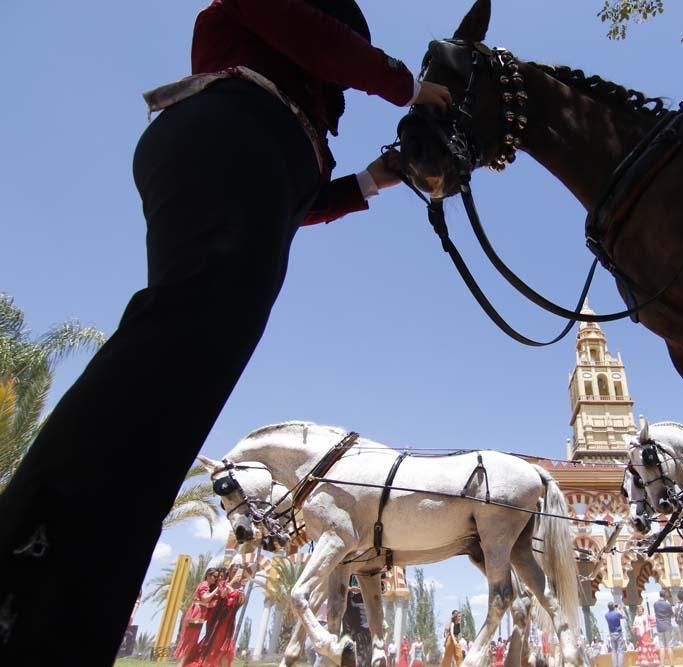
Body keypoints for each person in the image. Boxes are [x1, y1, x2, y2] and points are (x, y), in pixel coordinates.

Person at [0, 0, 453, 662]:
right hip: (233, 142)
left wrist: (376, 179)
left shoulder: (288, 101)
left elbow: (299, 201)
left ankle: (58, 612)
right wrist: (411, 87)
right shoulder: (273, 40)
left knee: (171, 392)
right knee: (165, 370)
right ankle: (25, 595)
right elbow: (316, 41)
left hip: (255, 171)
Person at [190, 563, 251, 667]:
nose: (236, 574)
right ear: (230, 572)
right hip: (218, 618)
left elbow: (241, 603)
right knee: (213, 644)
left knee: (225, 649)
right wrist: (232, 582)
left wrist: (242, 594)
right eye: (234, 571)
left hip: (230, 620)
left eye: (238, 572)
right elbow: (222, 594)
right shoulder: (223, 583)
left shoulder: (240, 587)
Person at [176, 569, 221, 666]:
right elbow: (205, 598)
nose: (216, 578)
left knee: (192, 641)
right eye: (214, 576)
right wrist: (217, 589)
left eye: (217, 576)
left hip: (199, 613)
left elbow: (205, 603)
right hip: (196, 613)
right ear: (208, 576)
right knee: (190, 641)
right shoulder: (204, 585)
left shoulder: (206, 586)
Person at [343, 575, 373, 667]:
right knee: (347, 639)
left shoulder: (369, 566)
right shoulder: (347, 568)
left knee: (363, 638)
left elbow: (379, 587)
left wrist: (360, 589)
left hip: (362, 603)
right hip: (347, 604)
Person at [653, 589, 675, 667]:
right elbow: (672, 615)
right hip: (667, 626)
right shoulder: (667, 604)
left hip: (659, 627)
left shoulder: (655, 604)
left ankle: (662, 664)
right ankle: (672, 664)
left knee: (661, 646)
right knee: (669, 646)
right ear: (665, 595)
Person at [604, 602, 626, 667]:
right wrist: (621, 609)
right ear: (613, 607)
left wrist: (614, 608)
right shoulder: (617, 613)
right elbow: (624, 616)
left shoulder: (606, 615)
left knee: (613, 650)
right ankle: (620, 665)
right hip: (618, 633)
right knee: (620, 651)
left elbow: (611, 613)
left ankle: (614, 665)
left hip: (611, 634)